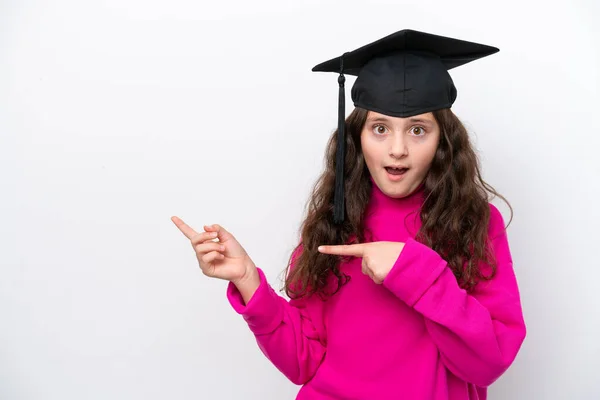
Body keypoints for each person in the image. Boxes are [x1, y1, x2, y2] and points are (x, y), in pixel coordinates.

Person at [172, 29, 526, 400]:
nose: (398, 149)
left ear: (443, 142)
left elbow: (489, 362)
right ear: (357, 138)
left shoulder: (475, 222)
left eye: (418, 130)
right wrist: (248, 281)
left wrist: (415, 271)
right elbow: (302, 362)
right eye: (380, 129)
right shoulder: (335, 219)